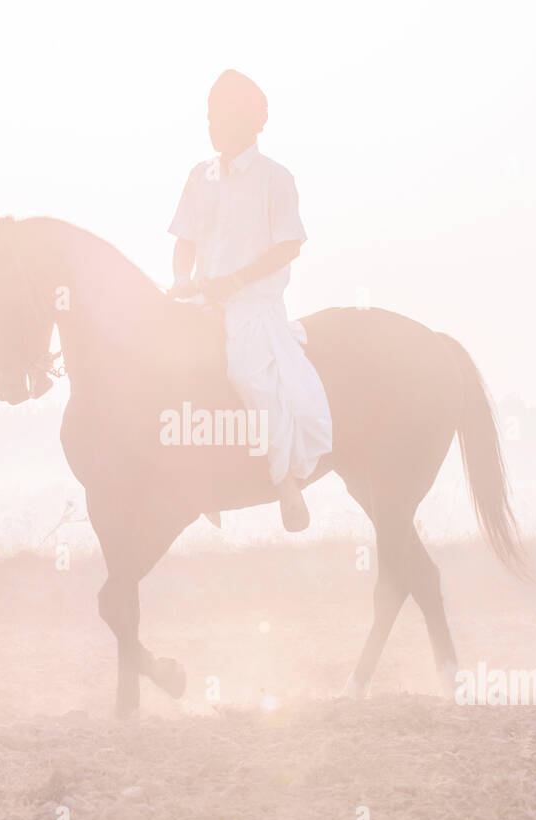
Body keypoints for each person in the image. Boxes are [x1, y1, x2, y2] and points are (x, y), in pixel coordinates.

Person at [168, 69, 332, 532]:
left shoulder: (275, 179)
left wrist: (237, 280)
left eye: (219, 115)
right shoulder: (199, 177)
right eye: (208, 115)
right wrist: (182, 277)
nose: (210, 125)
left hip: (253, 307)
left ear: (247, 121)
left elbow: (289, 245)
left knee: (247, 375)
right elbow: (184, 237)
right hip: (202, 302)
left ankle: (285, 483)